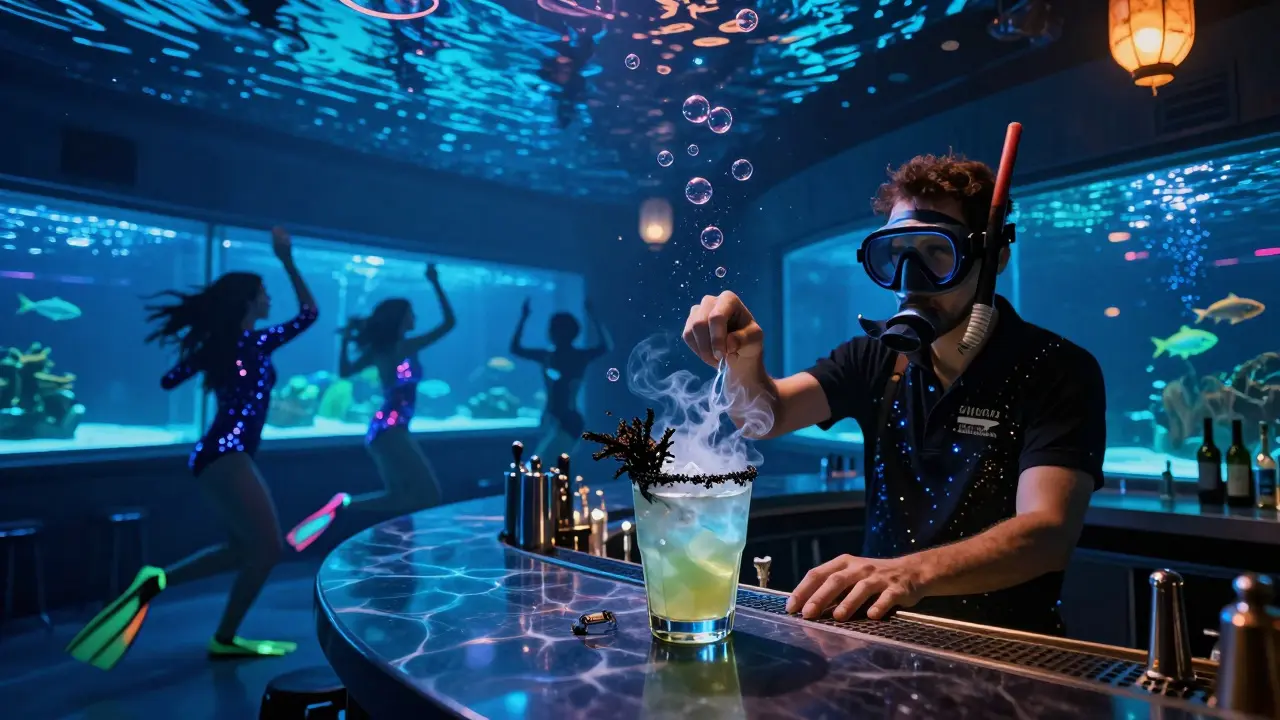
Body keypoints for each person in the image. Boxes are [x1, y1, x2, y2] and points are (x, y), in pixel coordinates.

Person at [681, 153, 1106, 636]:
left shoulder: (1055, 369)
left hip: (1007, 647)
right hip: (885, 638)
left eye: (936, 251)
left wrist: (908, 573)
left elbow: (1048, 533)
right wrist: (742, 357)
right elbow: (763, 418)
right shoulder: (877, 359)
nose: (910, 278)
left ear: (994, 256)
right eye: (894, 254)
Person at [66, 226, 320, 670]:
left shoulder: (228, 345)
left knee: (245, 549)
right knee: (268, 549)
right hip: (228, 455)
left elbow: (169, 380)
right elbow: (309, 313)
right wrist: (286, 259)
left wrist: (205, 357)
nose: (269, 300)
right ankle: (224, 636)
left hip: (218, 455)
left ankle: (158, 583)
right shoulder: (254, 343)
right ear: (247, 301)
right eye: (263, 293)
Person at [285, 263, 455, 548]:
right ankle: (383, 542)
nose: (415, 317)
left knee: (399, 496)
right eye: (411, 313)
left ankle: (346, 507)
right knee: (429, 495)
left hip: (385, 429)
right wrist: (436, 283)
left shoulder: (383, 349)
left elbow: (344, 372)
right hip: (392, 430)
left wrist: (347, 341)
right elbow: (449, 324)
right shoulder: (403, 347)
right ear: (401, 318)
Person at [510, 300, 613, 461]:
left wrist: (523, 318)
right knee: (551, 468)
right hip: (558, 421)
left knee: (545, 466)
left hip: (564, 422)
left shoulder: (549, 356)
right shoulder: (578, 356)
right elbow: (605, 347)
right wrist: (594, 317)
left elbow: (515, 348)